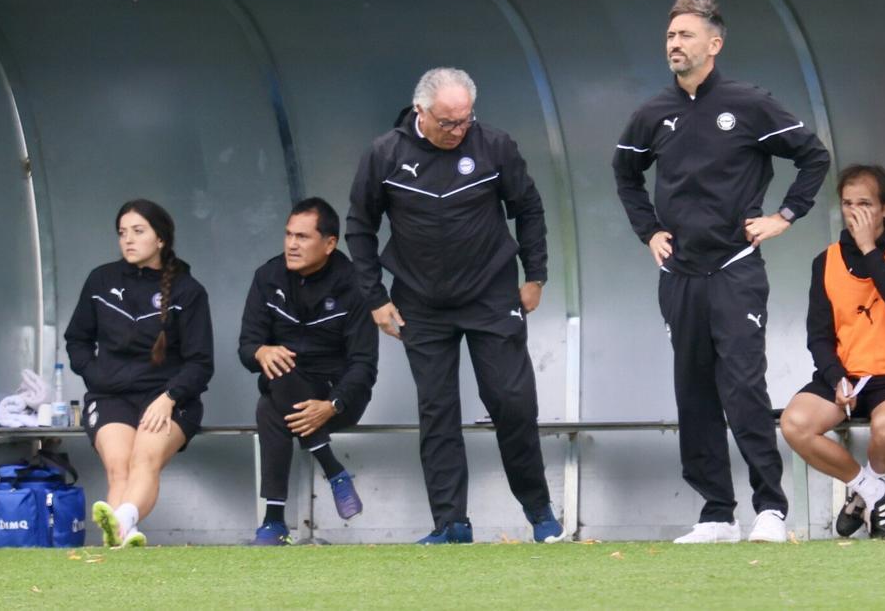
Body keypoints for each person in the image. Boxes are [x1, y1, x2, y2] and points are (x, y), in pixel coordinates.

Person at [612, 0, 831, 544]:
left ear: (715, 43)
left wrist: (783, 216)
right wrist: (649, 231)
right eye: (670, 37)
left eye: (686, 35)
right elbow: (625, 173)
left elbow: (814, 156)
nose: (674, 45)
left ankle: (770, 510)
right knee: (694, 393)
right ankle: (716, 514)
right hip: (680, 276)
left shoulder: (749, 104)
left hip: (735, 270)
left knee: (742, 388)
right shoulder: (652, 112)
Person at [345, 67, 563, 544]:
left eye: (465, 121)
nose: (458, 131)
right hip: (420, 305)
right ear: (420, 112)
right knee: (438, 410)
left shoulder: (495, 146)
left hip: (492, 295)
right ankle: (451, 524)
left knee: (512, 402)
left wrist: (537, 275)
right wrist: (375, 298)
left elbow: (528, 209)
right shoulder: (385, 154)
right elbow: (360, 228)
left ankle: (540, 511)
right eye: (448, 123)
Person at [780, 164, 885, 540]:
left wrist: (868, 248)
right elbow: (818, 335)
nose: (854, 213)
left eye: (864, 203)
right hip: (847, 376)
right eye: (848, 204)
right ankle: (872, 489)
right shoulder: (827, 260)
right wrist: (836, 378)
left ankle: (866, 495)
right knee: (794, 424)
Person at [64, 199, 214, 547]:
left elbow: (201, 363)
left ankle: (122, 521)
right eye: (122, 233)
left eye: (138, 231)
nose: (128, 240)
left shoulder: (188, 291)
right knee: (119, 466)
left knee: (144, 458)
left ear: (160, 239)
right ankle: (123, 534)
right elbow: (77, 340)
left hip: (170, 399)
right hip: (111, 396)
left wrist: (169, 398)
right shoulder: (101, 280)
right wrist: (95, 375)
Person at [238, 197, 378, 546]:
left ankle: (273, 522)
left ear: (330, 243)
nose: (291, 244)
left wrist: (332, 405)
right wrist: (260, 350)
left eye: (302, 237)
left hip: (338, 396)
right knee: (277, 376)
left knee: (274, 394)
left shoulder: (354, 285)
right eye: (288, 235)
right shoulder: (267, 277)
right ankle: (332, 468)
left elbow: (364, 365)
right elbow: (246, 346)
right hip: (286, 387)